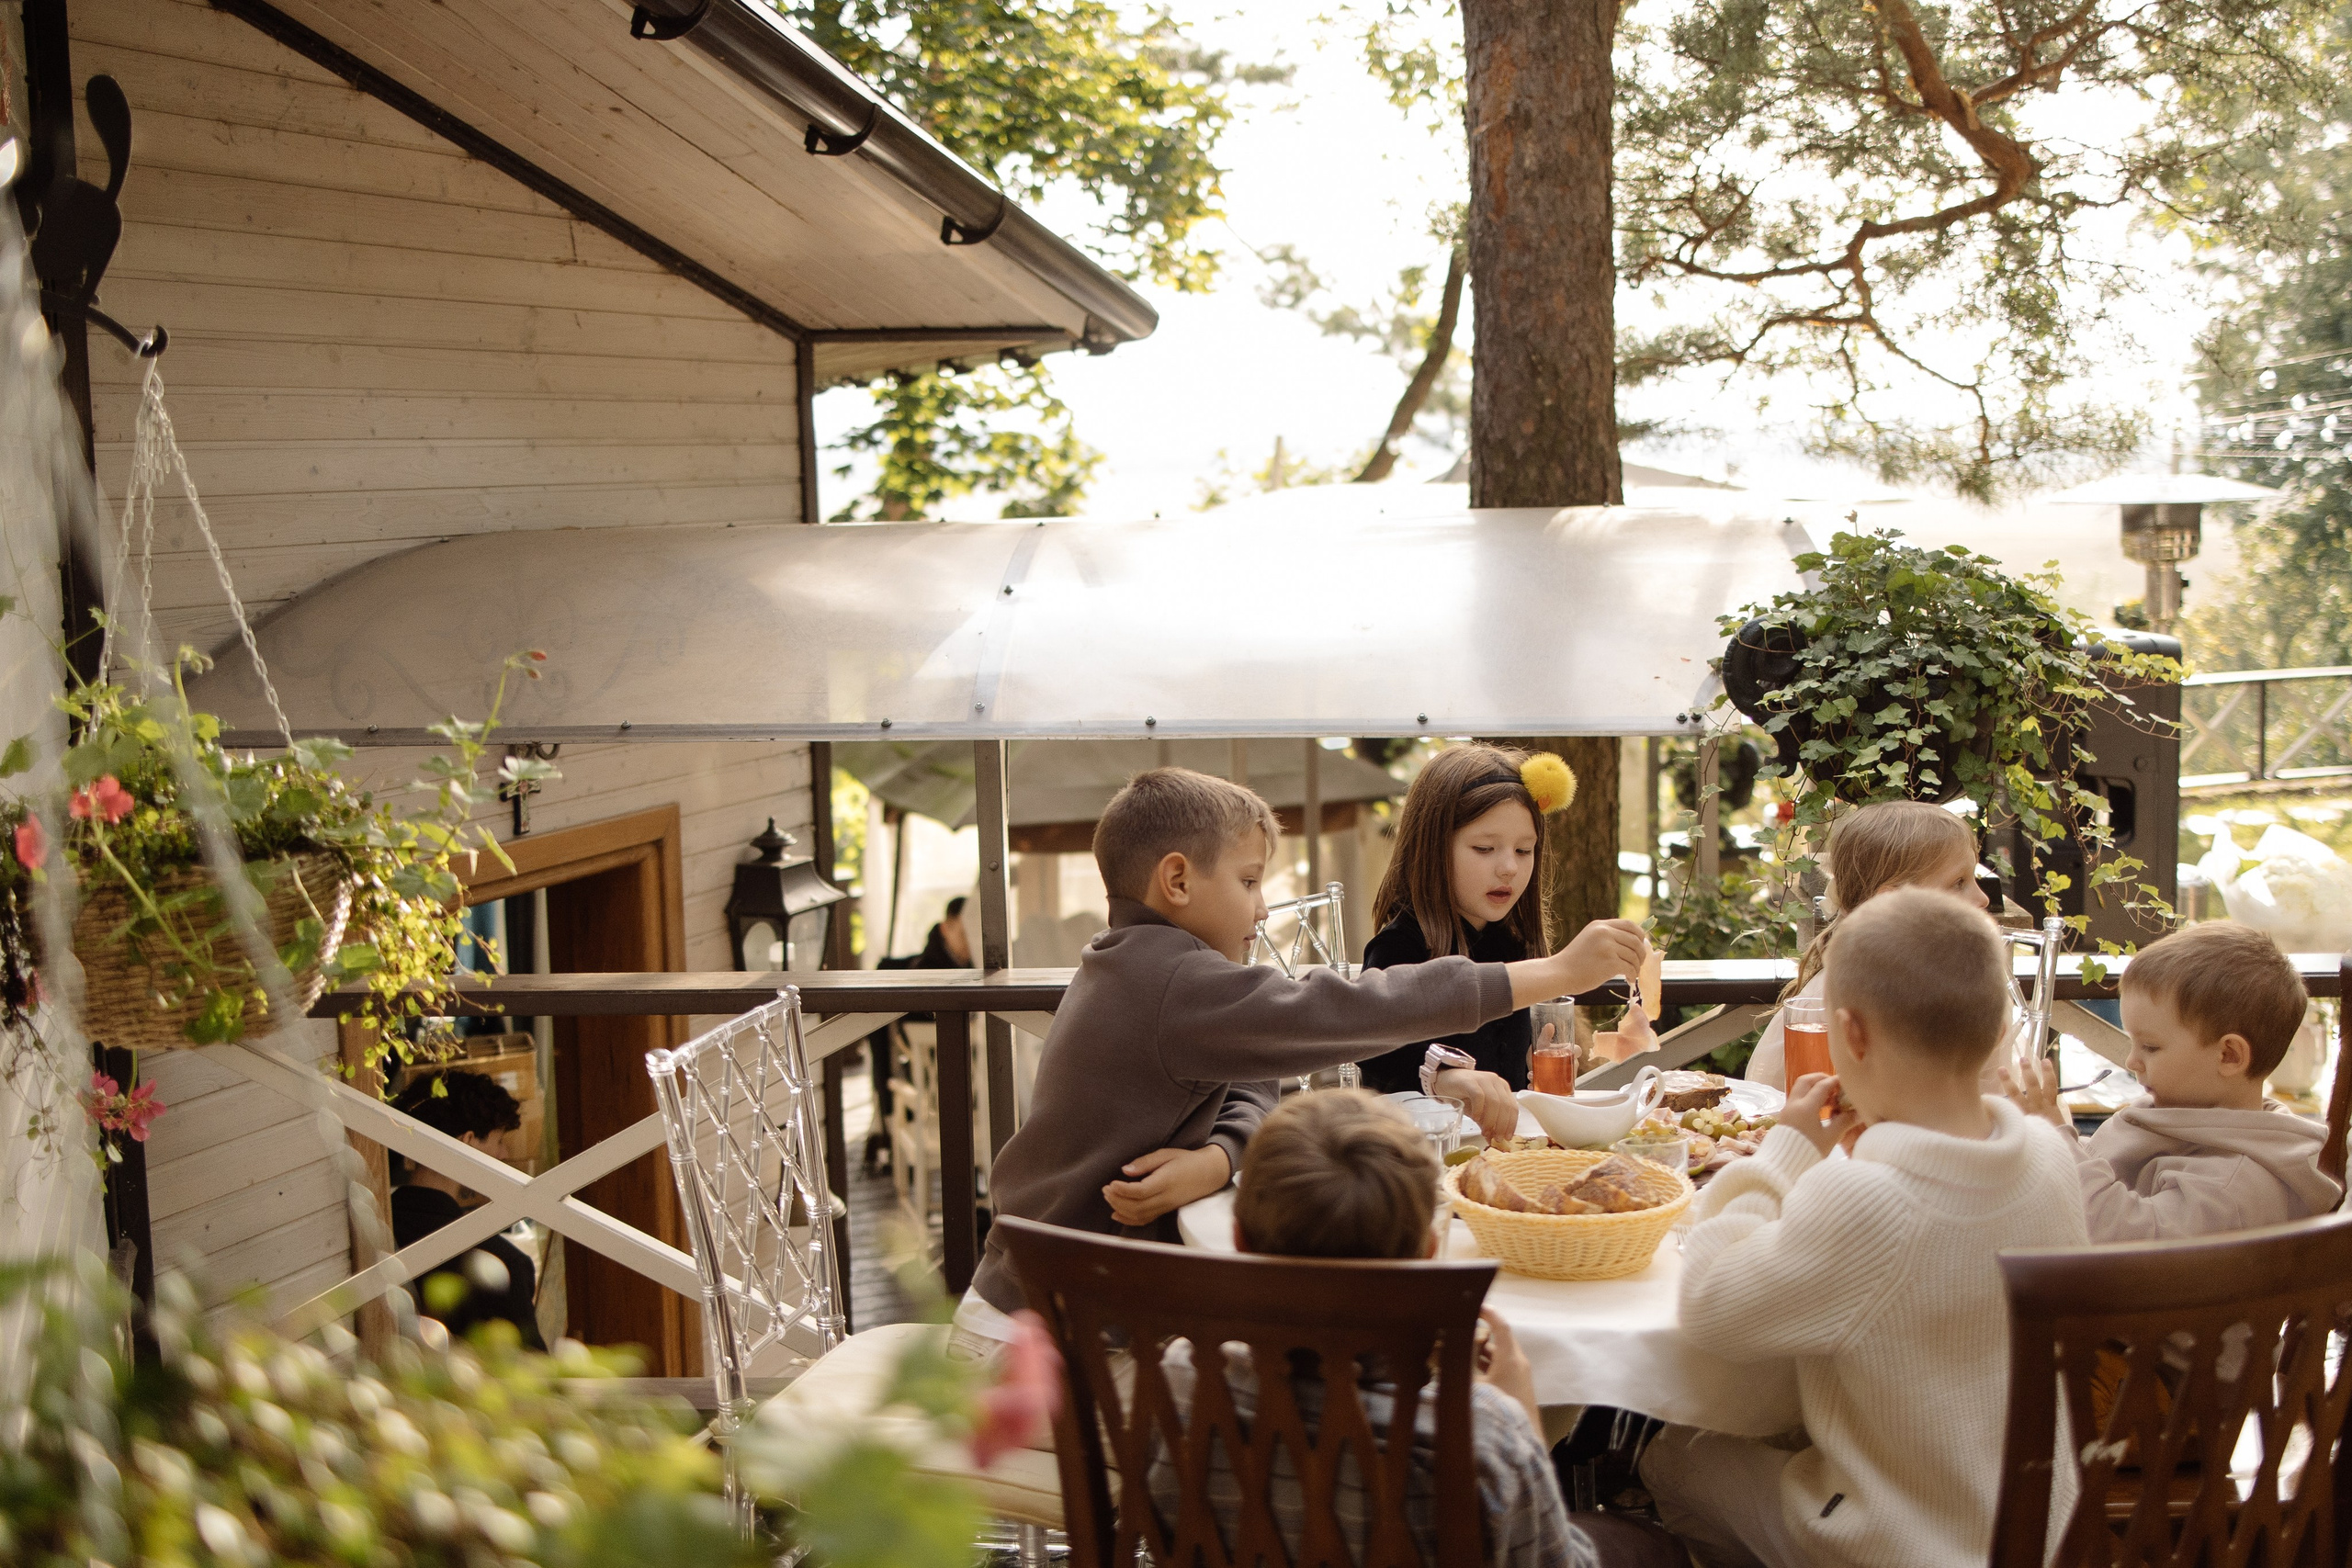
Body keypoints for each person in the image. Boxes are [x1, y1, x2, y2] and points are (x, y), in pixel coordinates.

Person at [956, 766, 1650, 1349]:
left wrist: (1220, 1156)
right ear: (1177, 880)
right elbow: (1355, 1008)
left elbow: (1260, 1069)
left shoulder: (1145, 968)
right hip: (1039, 1338)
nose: (1262, 910)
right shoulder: (1176, 982)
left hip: (1058, 1305)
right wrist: (1556, 971)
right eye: (1251, 881)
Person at [1641, 889, 2087, 1568]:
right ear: (2000, 1027)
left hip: (1903, 1546)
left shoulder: (1865, 1200)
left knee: (1671, 1458)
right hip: (2039, 1534)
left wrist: (1785, 1149)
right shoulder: (2051, 1156)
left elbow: (1708, 1303)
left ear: (1850, 1033)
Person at [1144, 1089, 1600, 1568]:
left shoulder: (1183, 1382)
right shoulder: (1485, 1435)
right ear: (1429, 1252)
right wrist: (1522, 1417)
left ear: (1238, 1240)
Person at [1356, 744, 1652, 1138]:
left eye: (1523, 850)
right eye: (1484, 848)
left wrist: (1536, 1071)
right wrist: (1442, 1077)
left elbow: (1512, 1087)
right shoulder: (1400, 948)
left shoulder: (1515, 944)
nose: (1508, 867)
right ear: (1430, 848)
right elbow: (1377, 1051)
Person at [2002, 920, 2338, 1239]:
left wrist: (2058, 1142)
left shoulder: (2232, 1186)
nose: (2132, 1060)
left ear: (2229, 1056)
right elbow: (2111, 1164)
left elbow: (2118, 1235)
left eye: (2150, 1046)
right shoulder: (2189, 1114)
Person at [1746, 799, 1987, 1090]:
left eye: (1975, 877)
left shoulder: (1960, 986)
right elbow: (1777, 1103)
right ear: (1891, 902)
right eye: (1959, 882)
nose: (1982, 899)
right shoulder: (1831, 1001)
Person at [390, 1068, 546, 1348]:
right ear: (467, 1141)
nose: (504, 1155)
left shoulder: (376, 1223)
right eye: (498, 1141)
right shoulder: (503, 1265)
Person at [864, 896, 971, 1171]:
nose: (971, 943)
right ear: (946, 929)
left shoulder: (980, 967)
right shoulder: (922, 977)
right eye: (964, 933)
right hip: (939, 1096)